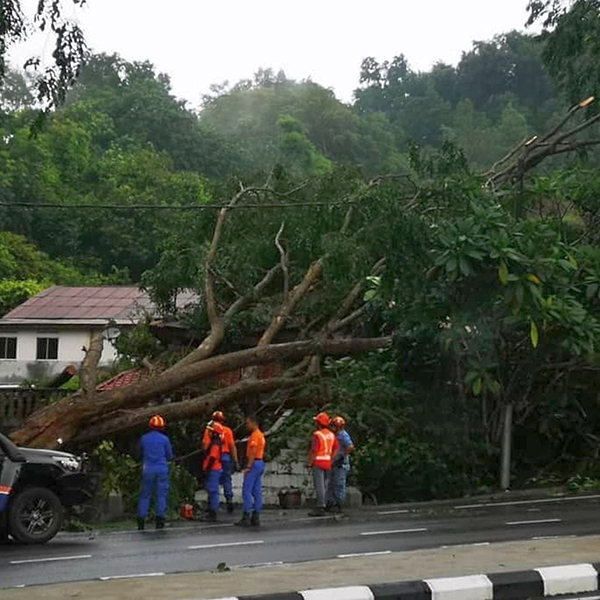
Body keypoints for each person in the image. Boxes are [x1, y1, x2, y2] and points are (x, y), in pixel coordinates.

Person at [137, 414, 173, 531]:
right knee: (161, 495)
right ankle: (159, 520)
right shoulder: (165, 439)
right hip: (162, 469)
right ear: (162, 427)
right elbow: (169, 455)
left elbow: (139, 452)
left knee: (145, 495)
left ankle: (141, 520)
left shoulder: (144, 438)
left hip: (148, 469)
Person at [204, 411, 239, 513]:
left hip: (214, 457)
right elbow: (232, 446)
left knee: (212, 481)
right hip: (226, 457)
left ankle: (212, 505)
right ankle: (229, 500)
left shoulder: (209, 430)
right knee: (227, 479)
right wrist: (236, 461)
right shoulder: (228, 431)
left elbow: (205, 445)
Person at [236, 415, 266, 527]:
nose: (246, 425)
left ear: (254, 423)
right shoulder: (261, 435)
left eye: (248, 423)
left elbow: (253, 451)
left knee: (247, 490)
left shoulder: (254, 436)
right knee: (257, 490)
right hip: (260, 463)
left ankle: (246, 515)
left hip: (254, 464)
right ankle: (256, 516)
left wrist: (248, 466)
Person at [307, 412, 338, 517]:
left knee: (319, 486)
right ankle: (326, 503)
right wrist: (331, 458)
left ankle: (320, 507)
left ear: (319, 423)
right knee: (325, 485)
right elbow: (336, 448)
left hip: (318, 462)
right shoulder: (331, 434)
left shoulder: (317, 435)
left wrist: (310, 463)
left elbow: (314, 450)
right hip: (327, 462)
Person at [328, 416, 355, 513]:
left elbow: (350, 446)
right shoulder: (334, 434)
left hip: (341, 463)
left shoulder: (343, 435)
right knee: (331, 483)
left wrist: (343, 457)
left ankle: (338, 504)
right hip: (334, 462)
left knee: (339, 484)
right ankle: (331, 502)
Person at [203, 419, 225, 521]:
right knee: (211, 491)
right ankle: (211, 511)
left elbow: (212, 457)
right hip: (214, 469)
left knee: (213, 492)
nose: (209, 433)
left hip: (214, 469)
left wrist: (207, 469)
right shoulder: (215, 442)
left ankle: (213, 513)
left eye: (210, 431)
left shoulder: (216, 444)